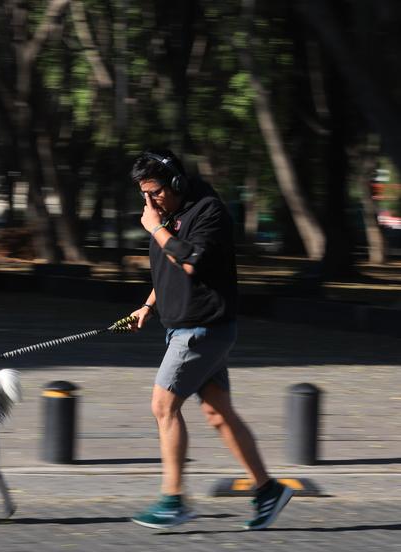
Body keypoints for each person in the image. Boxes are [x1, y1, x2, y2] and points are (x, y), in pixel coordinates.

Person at [126, 149, 293, 531]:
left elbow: (188, 261)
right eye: (144, 196)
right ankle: (268, 490)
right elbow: (167, 270)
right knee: (218, 414)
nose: (149, 203)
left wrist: (155, 228)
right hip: (184, 326)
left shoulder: (208, 212)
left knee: (163, 406)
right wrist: (147, 306)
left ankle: (173, 500)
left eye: (155, 193)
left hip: (201, 328)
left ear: (177, 183)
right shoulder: (168, 215)